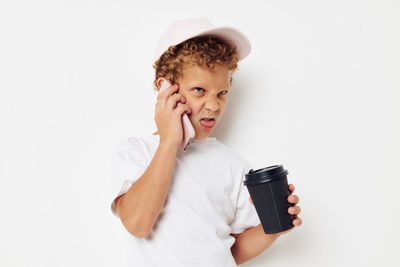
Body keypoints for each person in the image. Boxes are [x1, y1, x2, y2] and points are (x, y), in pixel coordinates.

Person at [109, 17, 302, 267]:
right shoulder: (135, 152)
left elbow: (232, 250)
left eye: (222, 93)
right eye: (199, 90)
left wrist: (273, 227)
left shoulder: (234, 166)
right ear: (166, 89)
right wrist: (169, 141)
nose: (213, 106)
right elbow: (138, 224)